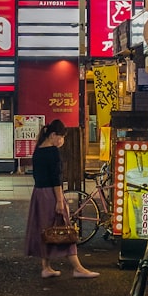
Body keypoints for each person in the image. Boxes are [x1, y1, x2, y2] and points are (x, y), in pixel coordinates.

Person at [23, 119, 99, 279]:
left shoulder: (38, 150)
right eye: (61, 137)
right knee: (65, 227)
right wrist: (59, 200)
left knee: (46, 230)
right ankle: (78, 268)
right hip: (51, 195)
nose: (62, 141)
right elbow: (56, 179)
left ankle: (46, 267)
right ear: (53, 135)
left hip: (38, 194)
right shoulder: (52, 152)